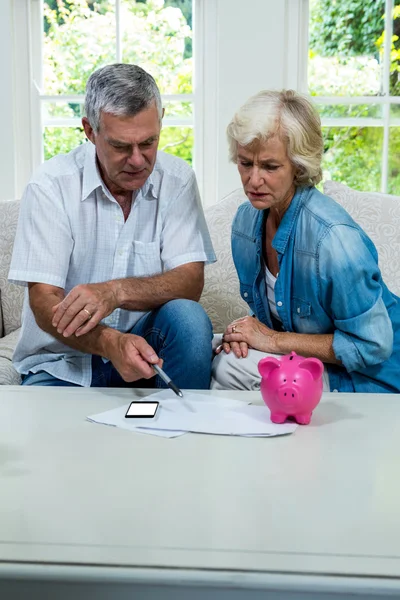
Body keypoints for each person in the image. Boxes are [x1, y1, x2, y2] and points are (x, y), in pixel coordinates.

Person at [9, 63, 216, 388]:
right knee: (54, 438)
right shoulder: (50, 186)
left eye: (148, 142)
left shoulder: (178, 180)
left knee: (188, 319)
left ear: (160, 121)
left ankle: (185, 430)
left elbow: (190, 283)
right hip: (62, 363)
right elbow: (43, 300)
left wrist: (114, 292)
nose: (138, 160)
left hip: (147, 356)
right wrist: (110, 343)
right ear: (89, 130)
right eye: (121, 146)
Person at [211, 89, 400, 393]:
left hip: (371, 377)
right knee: (216, 349)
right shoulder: (245, 226)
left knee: (228, 368)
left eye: (270, 167)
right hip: (306, 363)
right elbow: (275, 319)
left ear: (299, 166)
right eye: (246, 163)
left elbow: (373, 346)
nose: (253, 180)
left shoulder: (333, 240)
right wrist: (245, 334)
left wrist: (272, 341)